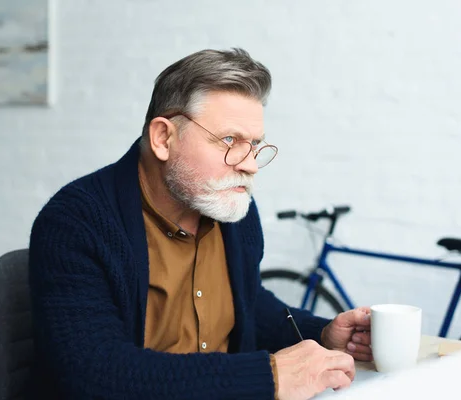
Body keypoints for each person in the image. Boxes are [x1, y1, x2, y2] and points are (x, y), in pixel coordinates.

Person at [28, 48, 372, 400]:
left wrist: (321, 333)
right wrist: (268, 377)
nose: (250, 164)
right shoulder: (75, 222)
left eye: (254, 144)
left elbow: (248, 304)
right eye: (229, 140)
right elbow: (95, 374)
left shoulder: (233, 210)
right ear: (163, 138)